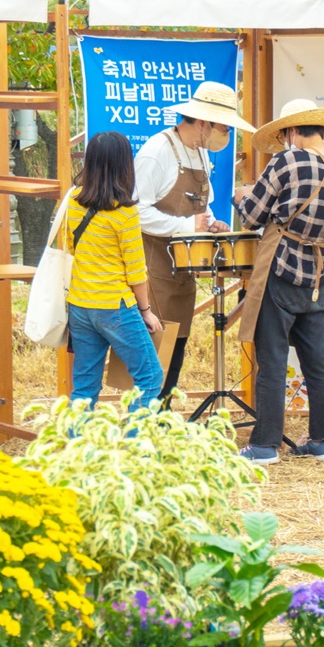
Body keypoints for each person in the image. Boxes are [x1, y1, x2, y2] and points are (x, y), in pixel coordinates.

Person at [232, 99, 324, 464]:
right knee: (317, 358)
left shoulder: (287, 161)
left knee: (271, 358)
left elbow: (252, 216)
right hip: (317, 274)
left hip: (282, 268)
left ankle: (265, 445)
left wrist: (241, 195)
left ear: (291, 132)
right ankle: (321, 440)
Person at [134, 81, 255, 404]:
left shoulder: (200, 153)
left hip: (184, 272)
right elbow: (135, 211)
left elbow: (204, 204)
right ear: (202, 121)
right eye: (223, 127)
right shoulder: (156, 151)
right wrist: (187, 224)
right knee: (156, 350)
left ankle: (161, 417)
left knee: (178, 347)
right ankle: (145, 424)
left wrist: (211, 222)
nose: (226, 134)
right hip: (153, 269)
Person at [66, 131, 164, 412]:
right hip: (115, 307)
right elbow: (136, 272)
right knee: (149, 377)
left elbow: (71, 248)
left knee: (84, 385)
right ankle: (136, 452)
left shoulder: (73, 200)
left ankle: (79, 451)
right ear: (125, 166)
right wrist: (145, 311)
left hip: (80, 304)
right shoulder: (125, 213)